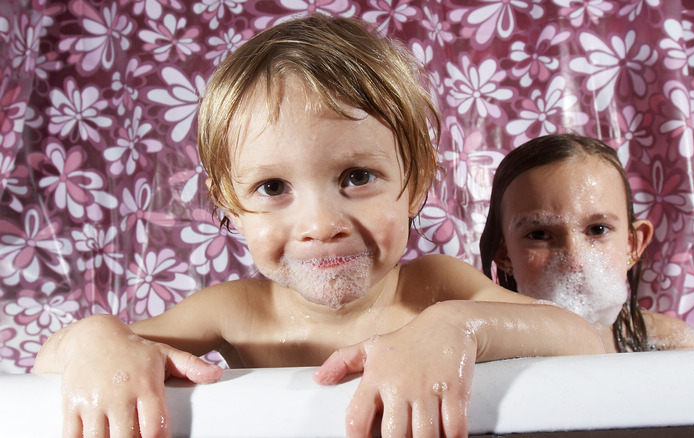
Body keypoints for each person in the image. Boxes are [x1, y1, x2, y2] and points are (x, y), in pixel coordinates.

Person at [34, 15, 605, 437]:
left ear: (418, 181)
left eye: (357, 176)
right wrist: (96, 339)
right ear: (229, 203)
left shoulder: (436, 290)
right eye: (272, 188)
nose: (320, 224)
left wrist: (459, 329)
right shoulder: (236, 312)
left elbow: (583, 341)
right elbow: (51, 364)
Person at [479, 133, 694, 353]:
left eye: (598, 230)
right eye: (539, 235)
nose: (574, 262)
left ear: (632, 245)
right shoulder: (487, 346)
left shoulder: (672, 344)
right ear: (504, 253)